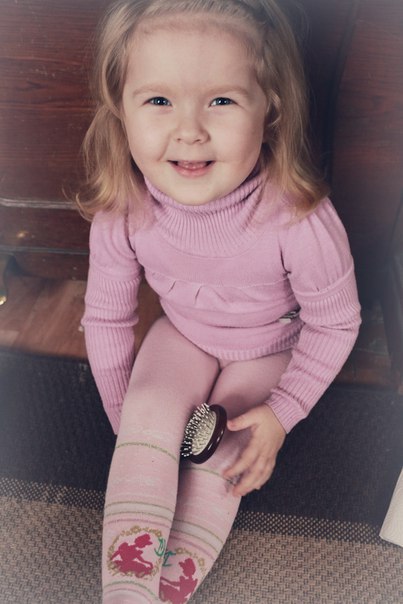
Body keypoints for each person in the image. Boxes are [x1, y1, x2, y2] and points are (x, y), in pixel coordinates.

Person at [78, 0, 361, 601]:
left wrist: (283, 412)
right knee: (149, 411)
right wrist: (135, 431)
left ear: (271, 109)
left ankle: (166, 592)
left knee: (222, 458)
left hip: (269, 349)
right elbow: (106, 317)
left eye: (222, 101)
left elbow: (336, 324)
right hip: (184, 336)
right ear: (120, 108)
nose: (190, 130)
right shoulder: (124, 209)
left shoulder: (299, 217)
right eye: (159, 100)